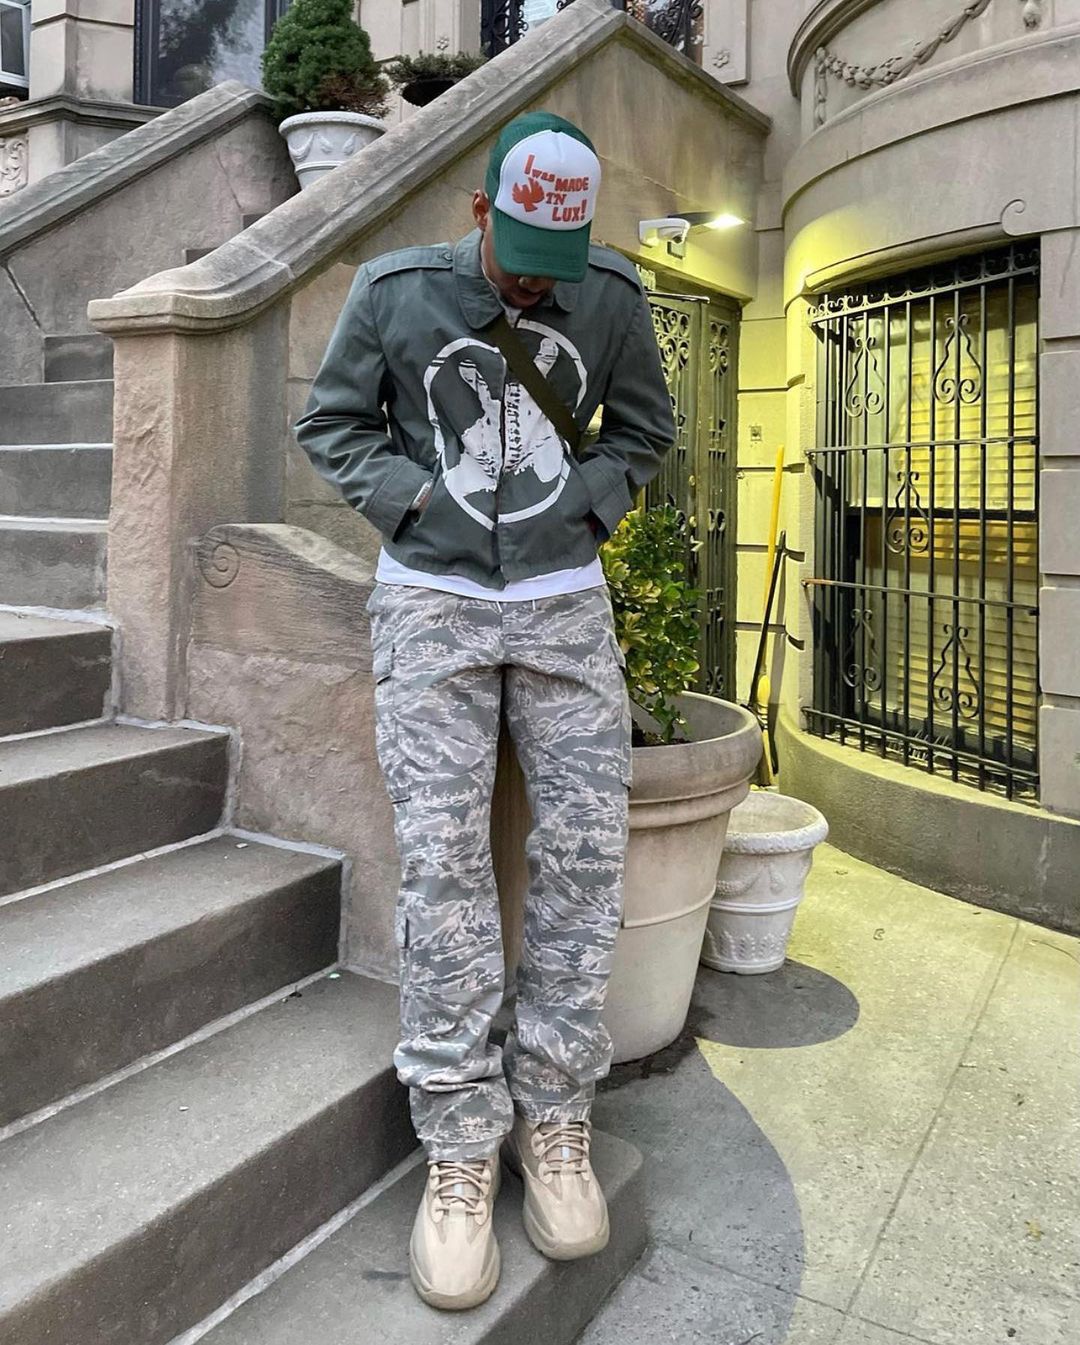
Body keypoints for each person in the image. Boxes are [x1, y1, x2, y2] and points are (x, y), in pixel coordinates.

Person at [295, 110, 674, 1311]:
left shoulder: (611, 299)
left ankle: (553, 1116)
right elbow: (331, 422)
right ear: (480, 212)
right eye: (518, 258)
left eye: (554, 265)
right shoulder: (395, 293)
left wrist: (589, 507)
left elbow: (647, 432)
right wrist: (414, 505)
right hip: (432, 605)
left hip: (563, 604)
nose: (533, 285)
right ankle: (460, 1144)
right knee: (444, 866)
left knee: (586, 858)